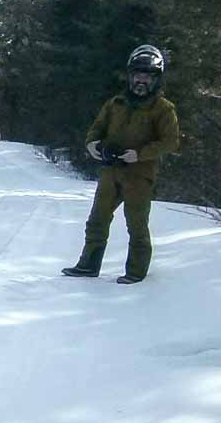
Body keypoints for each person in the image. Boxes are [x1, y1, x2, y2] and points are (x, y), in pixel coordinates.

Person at [62, 45, 181, 284]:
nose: (141, 81)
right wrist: (92, 145)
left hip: (139, 175)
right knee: (97, 219)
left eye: (147, 76)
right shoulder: (115, 103)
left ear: (156, 79)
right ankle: (88, 265)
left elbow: (170, 142)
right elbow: (96, 128)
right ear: (130, 75)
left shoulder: (164, 109)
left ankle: (136, 271)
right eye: (137, 75)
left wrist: (139, 154)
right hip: (110, 171)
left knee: (136, 223)